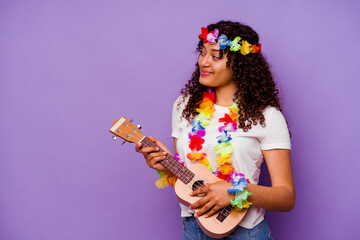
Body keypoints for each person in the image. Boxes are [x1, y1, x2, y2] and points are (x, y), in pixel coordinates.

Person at [135, 20, 295, 240]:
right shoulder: (184, 106)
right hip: (194, 228)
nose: (204, 62)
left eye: (215, 56)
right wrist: (166, 164)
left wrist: (237, 192)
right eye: (202, 53)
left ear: (240, 63)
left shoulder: (267, 116)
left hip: (245, 233)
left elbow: (285, 197)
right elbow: (190, 178)